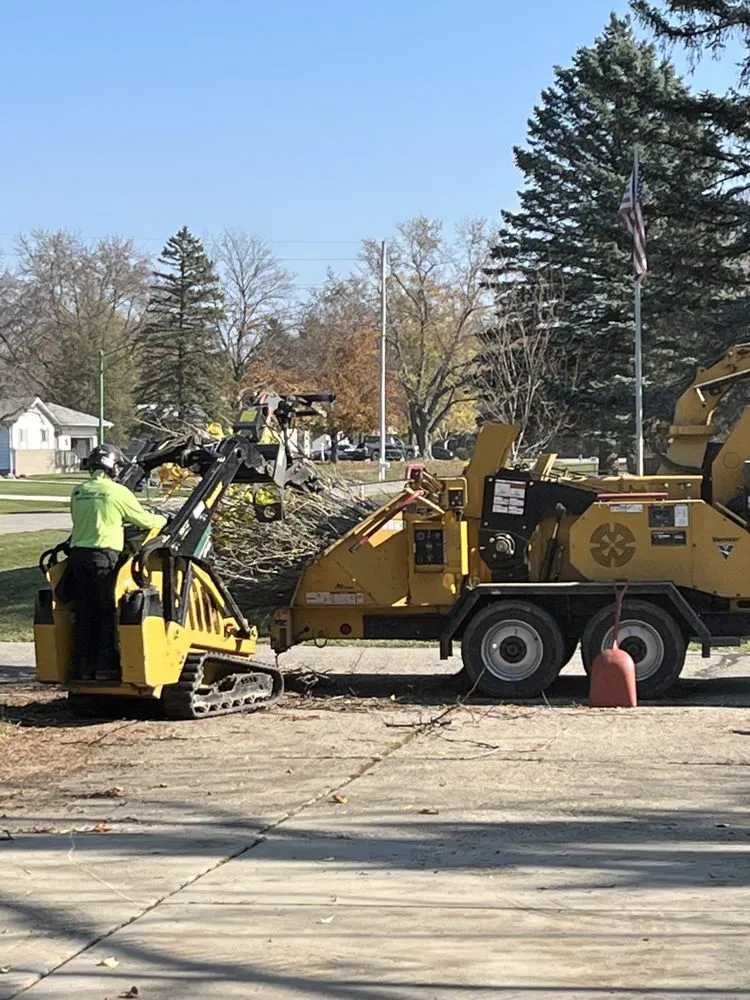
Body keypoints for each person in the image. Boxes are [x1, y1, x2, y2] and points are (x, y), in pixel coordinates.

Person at [67, 443, 167, 681]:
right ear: (112, 467)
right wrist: (163, 519)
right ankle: (106, 667)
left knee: (84, 612)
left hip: (77, 557)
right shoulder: (116, 492)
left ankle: (84, 667)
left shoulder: (78, 491)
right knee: (107, 611)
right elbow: (143, 520)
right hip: (103, 558)